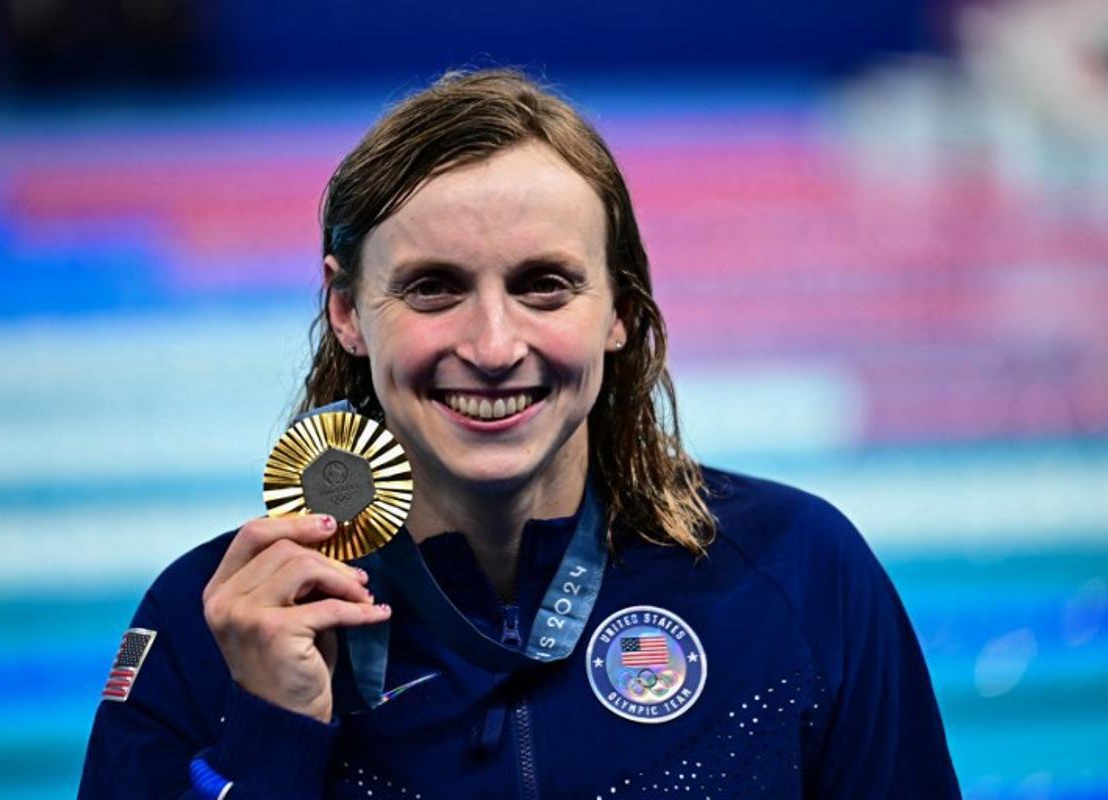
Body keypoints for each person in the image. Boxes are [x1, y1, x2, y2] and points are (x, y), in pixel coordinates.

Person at [79, 69, 961, 799]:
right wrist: (271, 736)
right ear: (348, 310)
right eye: (433, 287)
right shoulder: (211, 628)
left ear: (620, 308)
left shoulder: (798, 575)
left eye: (545, 284)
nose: (494, 347)